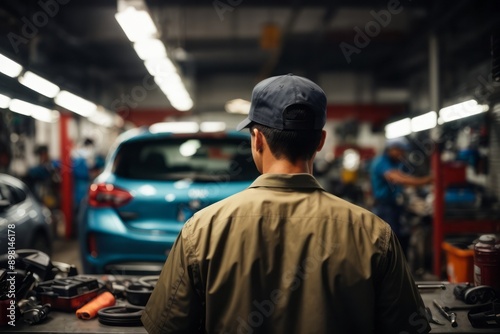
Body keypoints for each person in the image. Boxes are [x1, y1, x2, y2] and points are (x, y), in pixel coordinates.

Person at [142, 74, 430, 334]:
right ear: (320, 141)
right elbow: (407, 326)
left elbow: (168, 326)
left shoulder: (201, 230)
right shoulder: (374, 233)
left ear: (256, 140)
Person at [370, 137, 433, 257]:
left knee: (400, 237)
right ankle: (389, 270)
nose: (402, 153)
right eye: (401, 150)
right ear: (392, 149)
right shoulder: (381, 162)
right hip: (384, 207)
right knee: (388, 240)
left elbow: (402, 176)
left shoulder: (394, 163)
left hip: (394, 206)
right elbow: (397, 179)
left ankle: (399, 266)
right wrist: (426, 180)